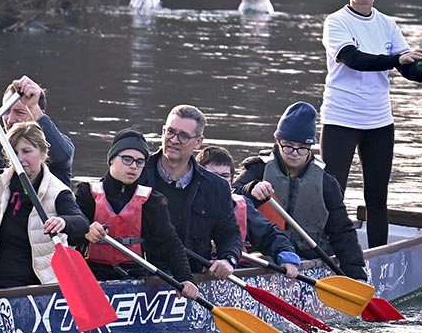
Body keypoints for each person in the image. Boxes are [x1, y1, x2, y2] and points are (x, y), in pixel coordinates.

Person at [320, 0, 422, 248]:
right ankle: (328, 250)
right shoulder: (336, 22)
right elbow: (353, 59)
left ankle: (378, 254)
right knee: (332, 192)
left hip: (379, 123)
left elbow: (406, 66)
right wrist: (395, 59)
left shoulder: (387, 24)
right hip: (341, 119)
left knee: (377, 196)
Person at [0, 104, 90, 292]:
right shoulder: (0, 182)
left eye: (27, 151)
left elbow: (81, 223)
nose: (20, 159)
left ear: (43, 154)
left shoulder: (58, 191)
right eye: (15, 153)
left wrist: (63, 222)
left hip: (38, 285)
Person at [232, 102, 368, 282]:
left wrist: (355, 276)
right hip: (263, 256)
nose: (294, 153)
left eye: (302, 147)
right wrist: (249, 189)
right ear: (277, 141)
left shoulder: (326, 182)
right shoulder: (257, 169)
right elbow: (230, 196)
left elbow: (342, 232)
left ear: (310, 147)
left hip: (309, 256)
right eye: (288, 145)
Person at [74, 130, 201, 299]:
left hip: (134, 276)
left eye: (140, 162)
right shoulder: (86, 193)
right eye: (127, 159)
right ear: (112, 159)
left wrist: (185, 278)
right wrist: (85, 229)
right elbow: (70, 230)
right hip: (91, 274)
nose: (133, 166)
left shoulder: (152, 201)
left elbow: (170, 243)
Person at [135, 105, 243, 278]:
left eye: (183, 136)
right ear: (163, 131)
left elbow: (229, 234)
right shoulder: (135, 173)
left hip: (192, 280)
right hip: (138, 275)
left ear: (198, 142)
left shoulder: (216, 187)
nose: (174, 140)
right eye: (170, 132)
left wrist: (228, 259)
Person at [195, 145, 302, 277]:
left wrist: (286, 255)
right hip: (192, 271)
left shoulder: (241, 205)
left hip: (233, 269)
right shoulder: (183, 203)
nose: (220, 182)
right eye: (214, 176)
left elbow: (269, 234)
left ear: (232, 181)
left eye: (225, 177)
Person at [0, 75, 75, 185]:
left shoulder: (57, 148)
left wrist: (32, 106)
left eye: (20, 112)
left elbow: (63, 157)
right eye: (6, 111)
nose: (10, 120)